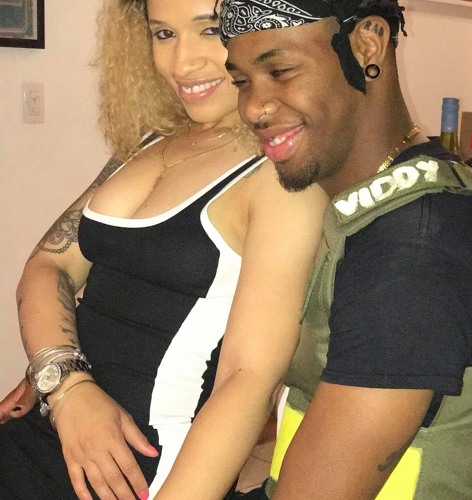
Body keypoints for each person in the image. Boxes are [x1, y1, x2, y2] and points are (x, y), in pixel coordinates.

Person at [0, 0, 327, 499]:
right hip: (58, 420)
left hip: (136, 470)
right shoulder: (154, 141)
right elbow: (49, 264)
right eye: (164, 34)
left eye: (209, 31)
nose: (182, 63)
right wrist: (63, 382)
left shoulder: (282, 174)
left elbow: (247, 381)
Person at [220, 0, 472, 498]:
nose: (253, 108)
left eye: (280, 72)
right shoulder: (379, 204)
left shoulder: (415, 247)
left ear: (367, 44)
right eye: (242, 82)